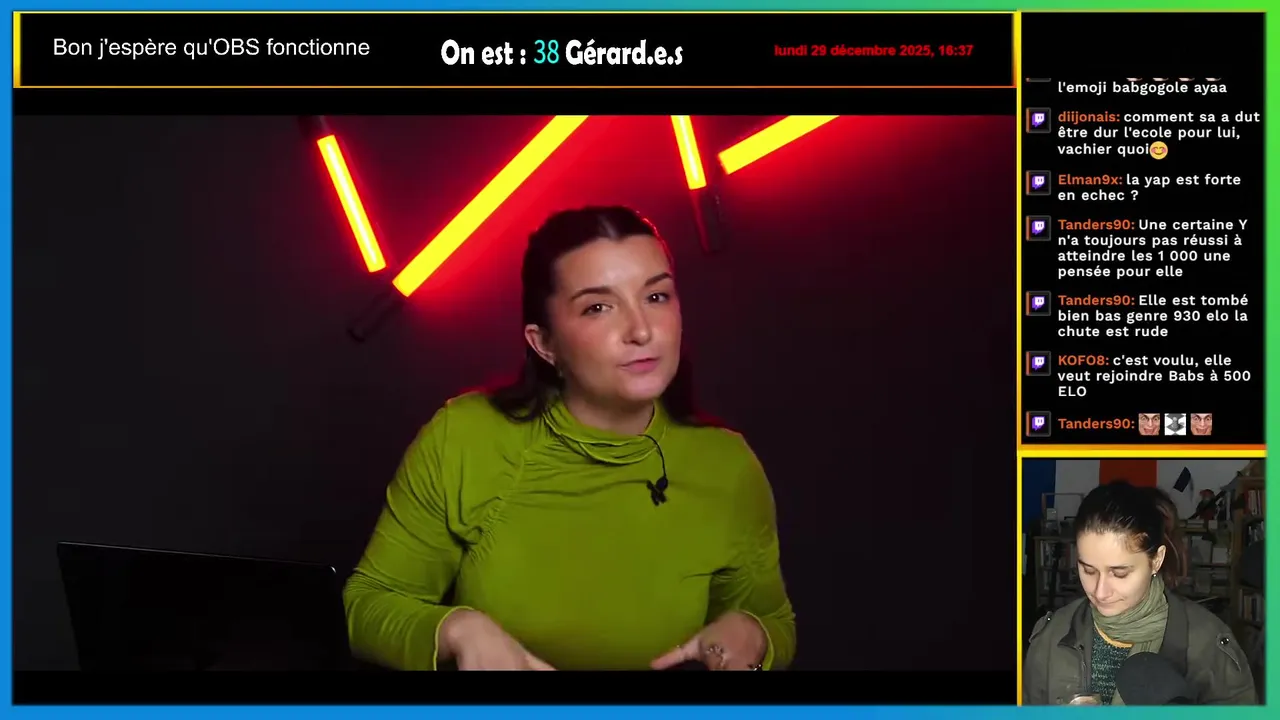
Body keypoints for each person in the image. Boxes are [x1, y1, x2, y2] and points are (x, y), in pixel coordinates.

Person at [343, 206, 796, 671]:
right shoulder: (465, 438)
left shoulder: (728, 465)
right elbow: (367, 605)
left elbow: (774, 621)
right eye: (598, 307)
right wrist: (457, 630)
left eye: (656, 296)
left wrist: (753, 635)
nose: (642, 331)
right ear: (544, 343)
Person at [1024, 481, 1257, 705]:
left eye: (1120, 573)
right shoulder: (1051, 635)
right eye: (1088, 570)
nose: (1100, 592)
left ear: (1156, 560)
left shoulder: (1208, 644)